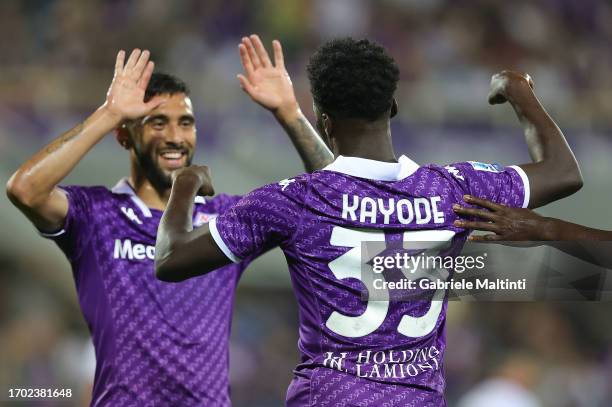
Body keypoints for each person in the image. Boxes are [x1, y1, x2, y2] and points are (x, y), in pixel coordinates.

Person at [155, 37, 582, 406]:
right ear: (393, 105)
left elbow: (172, 259)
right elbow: (564, 172)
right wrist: (518, 90)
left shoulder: (292, 201)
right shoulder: (454, 189)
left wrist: (185, 184)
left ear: (325, 119)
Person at [5, 36, 332, 406]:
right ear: (124, 136)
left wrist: (290, 113)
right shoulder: (96, 215)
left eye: (186, 123)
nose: (175, 137)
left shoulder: (224, 220)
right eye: (157, 122)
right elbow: (25, 189)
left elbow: (338, 199)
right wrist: (109, 113)